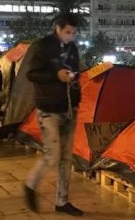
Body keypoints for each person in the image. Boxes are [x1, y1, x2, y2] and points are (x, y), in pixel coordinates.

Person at [24, 13, 83, 216]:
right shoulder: (43, 46)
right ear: (57, 28)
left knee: (66, 158)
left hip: (70, 108)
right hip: (49, 109)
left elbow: (75, 72)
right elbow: (31, 74)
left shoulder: (73, 49)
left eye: (74, 33)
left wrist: (77, 80)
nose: (71, 36)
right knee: (52, 155)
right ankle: (30, 185)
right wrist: (55, 76)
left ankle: (62, 201)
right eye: (68, 32)